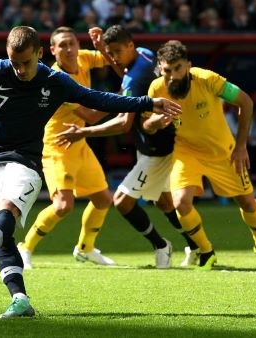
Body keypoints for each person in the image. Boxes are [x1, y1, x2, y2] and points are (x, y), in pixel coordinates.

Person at [0, 26, 180, 318]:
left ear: (40, 54)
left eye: (25, 63)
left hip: (27, 162)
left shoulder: (55, 81)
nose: (18, 70)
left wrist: (148, 101)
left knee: (7, 211)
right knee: (1, 228)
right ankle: (20, 299)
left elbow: (98, 99)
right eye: (14, 63)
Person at [56, 25, 199, 268]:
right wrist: (102, 48)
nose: (112, 57)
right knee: (164, 202)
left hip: (156, 147)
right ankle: (197, 247)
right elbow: (125, 73)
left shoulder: (134, 79)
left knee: (122, 200)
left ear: (130, 46)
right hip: (159, 142)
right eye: (109, 52)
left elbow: (123, 123)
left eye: (116, 52)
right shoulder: (143, 54)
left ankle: (161, 245)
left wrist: (83, 132)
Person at [149, 41, 256, 270]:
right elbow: (147, 125)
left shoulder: (208, 79)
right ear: (161, 69)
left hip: (223, 152)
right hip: (186, 152)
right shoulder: (156, 89)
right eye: (167, 70)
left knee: (248, 202)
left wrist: (241, 146)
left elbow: (246, 102)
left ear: (188, 66)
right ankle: (206, 251)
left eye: (178, 68)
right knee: (181, 203)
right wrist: (154, 122)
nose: (173, 75)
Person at [17, 26, 120, 270]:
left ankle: (85, 248)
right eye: (62, 45)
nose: (69, 49)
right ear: (52, 50)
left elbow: (112, 60)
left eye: (72, 43)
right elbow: (91, 116)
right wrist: (122, 97)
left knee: (104, 199)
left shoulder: (82, 57)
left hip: (79, 142)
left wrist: (101, 46)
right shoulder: (57, 81)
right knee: (64, 205)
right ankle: (25, 247)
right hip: (58, 145)